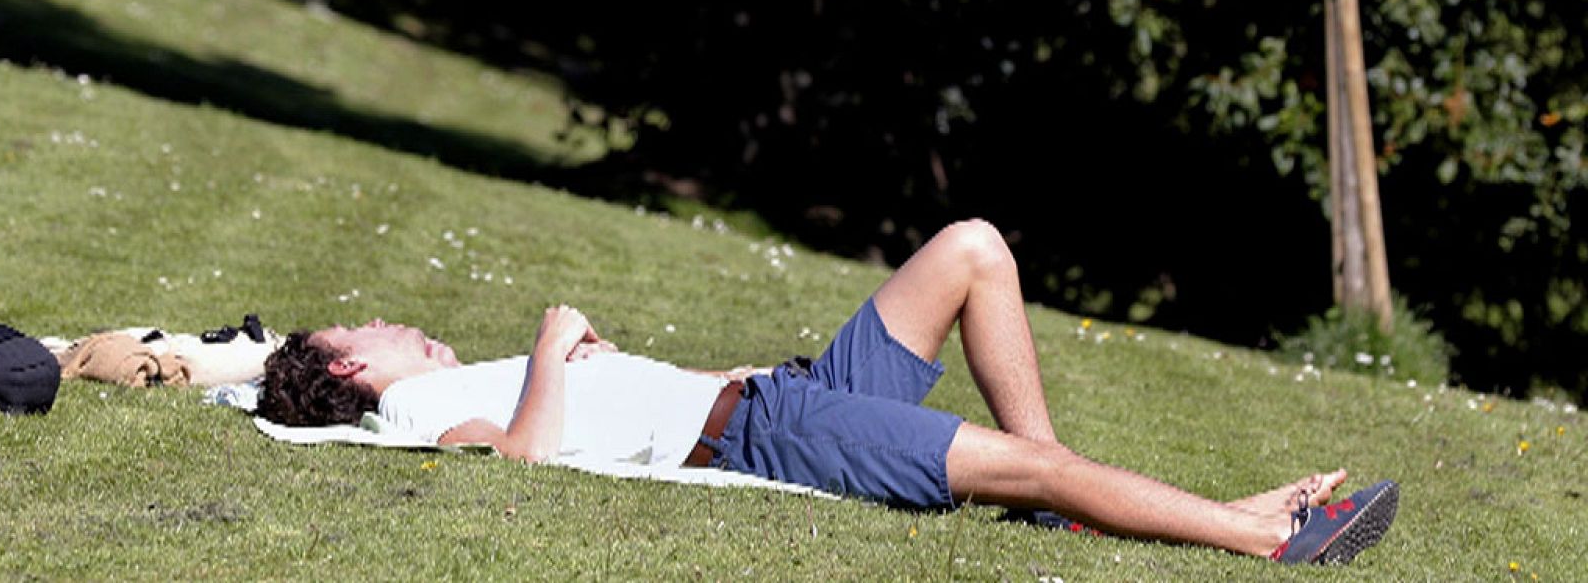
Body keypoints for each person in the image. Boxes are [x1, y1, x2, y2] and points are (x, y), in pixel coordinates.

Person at [257, 220, 1398, 565]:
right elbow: (514, 465)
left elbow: (618, 409)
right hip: (772, 432)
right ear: (352, 370)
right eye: (363, 327)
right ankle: (1264, 540)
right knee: (1029, 464)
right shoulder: (411, 410)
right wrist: (555, 353)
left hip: (773, 391)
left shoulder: (474, 378)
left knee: (974, 249)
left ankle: (1062, 495)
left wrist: (601, 364)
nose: (387, 319)